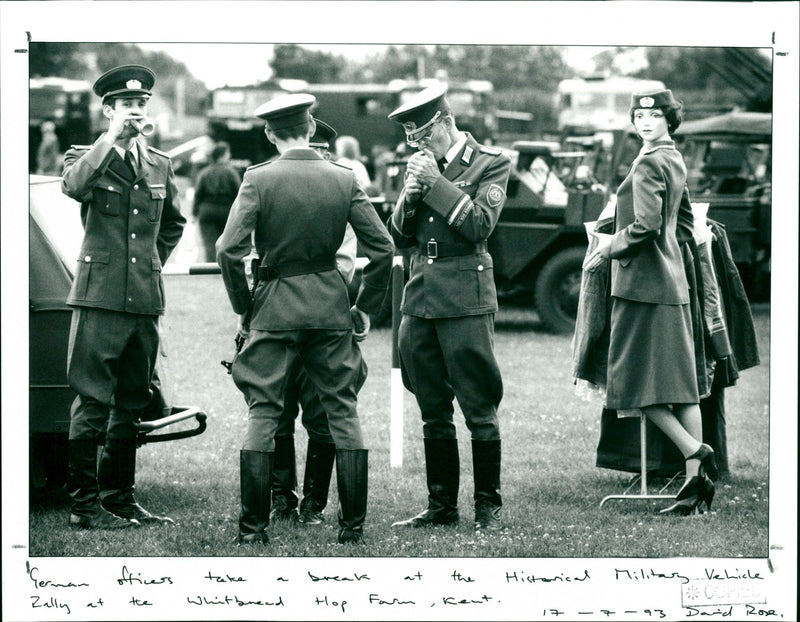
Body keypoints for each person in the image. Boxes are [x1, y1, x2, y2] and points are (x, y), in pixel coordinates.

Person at [216, 93, 393, 545]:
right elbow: (384, 249)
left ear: (270, 133)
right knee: (342, 411)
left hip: (273, 308)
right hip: (331, 308)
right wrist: (361, 308)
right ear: (312, 129)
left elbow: (227, 250)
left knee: (264, 410)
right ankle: (351, 530)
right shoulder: (344, 177)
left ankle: (253, 531)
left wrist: (244, 306)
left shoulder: (258, 179)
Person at [60, 64, 186, 529]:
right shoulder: (84, 156)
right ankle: (84, 506)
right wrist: (110, 138)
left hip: (144, 300)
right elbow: (74, 187)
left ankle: (120, 499)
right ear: (109, 109)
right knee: (92, 401)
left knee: (132, 401)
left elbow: (173, 222)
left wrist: (153, 262)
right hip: (99, 299)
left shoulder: (159, 163)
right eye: (127, 105)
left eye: (141, 104)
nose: (136, 111)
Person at [583, 88, 718, 515]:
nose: (645, 122)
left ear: (668, 119)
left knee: (633, 387)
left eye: (655, 115)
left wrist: (608, 247)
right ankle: (696, 489)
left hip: (642, 288)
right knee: (682, 389)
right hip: (673, 283)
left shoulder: (647, 163)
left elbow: (644, 225)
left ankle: (695, 452)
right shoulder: (673, 157)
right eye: (639, 116)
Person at [386, 83, 512, 532]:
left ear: (442, 121)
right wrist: (411, 194)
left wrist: (435, 183)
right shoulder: (421, 168)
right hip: (420, 298)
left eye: (423, 135)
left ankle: (487, 507)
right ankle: (441, 506)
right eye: (413, 139)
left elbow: (479, 225)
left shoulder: (491, 162)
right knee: (432, 407)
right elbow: (398, 235)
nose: (419, 145)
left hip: (465, 298)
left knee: (478, 405)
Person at [270, 118, 367, 526]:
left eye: (326, 153)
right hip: (281, 314)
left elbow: (346, 262)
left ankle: (313, 501)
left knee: (322, 413)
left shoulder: (340, 192)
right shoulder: (272, 184)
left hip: (322, 317)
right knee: (277, 410)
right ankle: (280, 497)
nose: (319, 160)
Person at [192, 141, 241, 262]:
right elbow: (239, 193)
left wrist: (194, 213)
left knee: (209, 242)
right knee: (227, 241)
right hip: (227, 211)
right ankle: (224, 265)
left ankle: (211, 268)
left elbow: (198, 194)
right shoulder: (231, 172)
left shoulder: (204, 173)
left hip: (207, 210)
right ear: (223, 155)